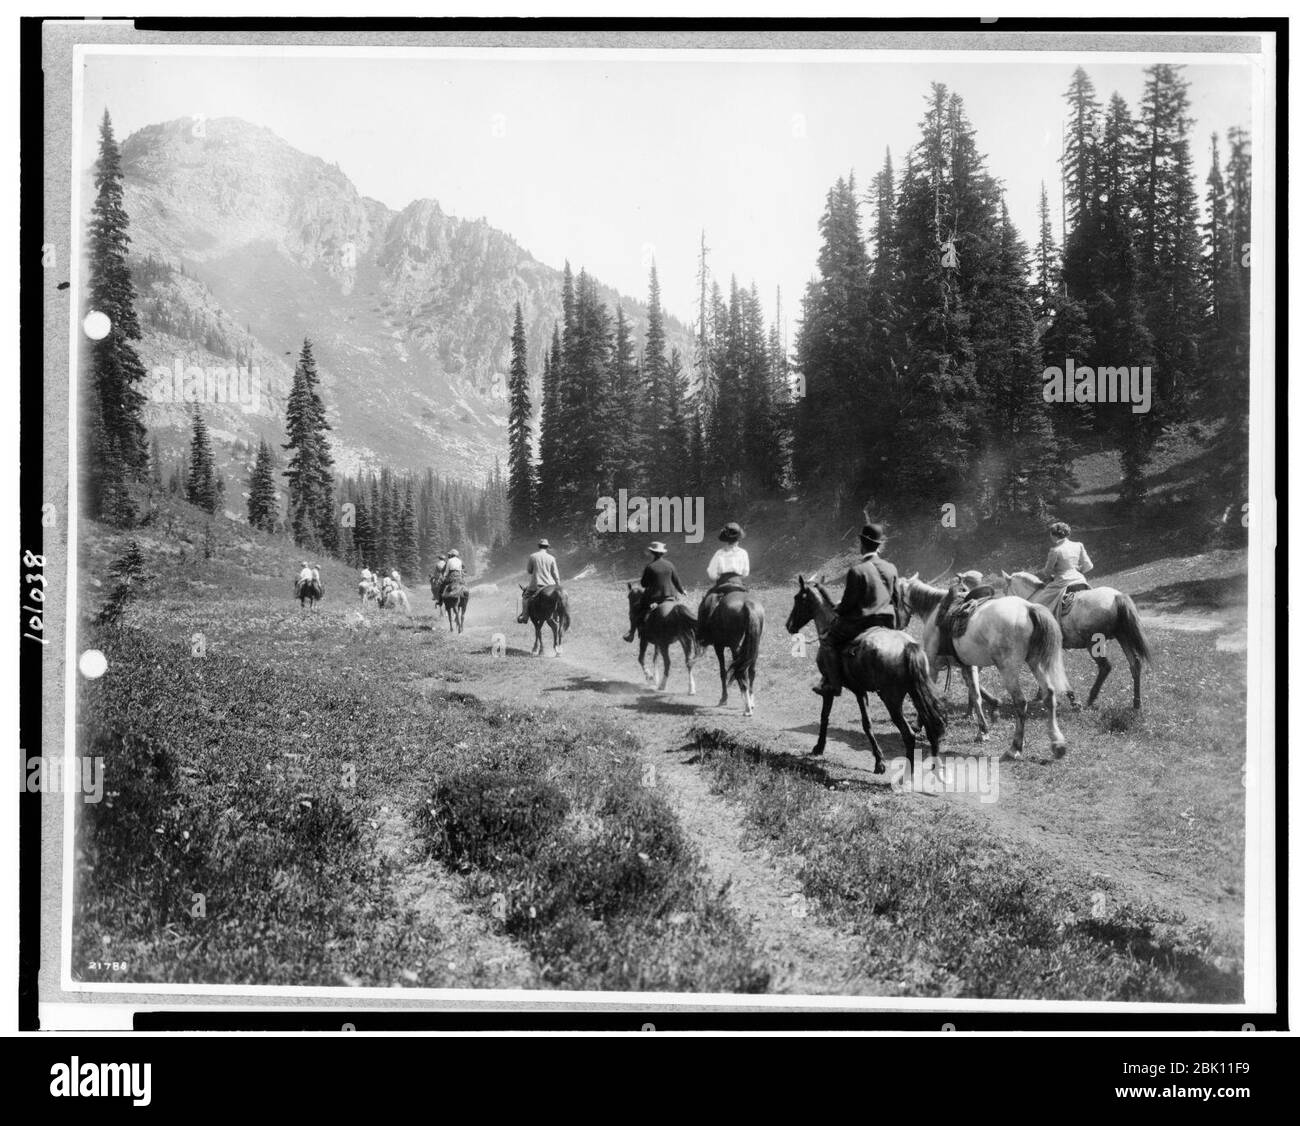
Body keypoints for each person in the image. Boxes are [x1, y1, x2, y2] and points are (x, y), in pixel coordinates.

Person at [813, 523, 901, 697]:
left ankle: (834, 686)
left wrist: (837, 609)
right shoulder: (891, 568)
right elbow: (896, 599)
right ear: (879, 545)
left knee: (828, 641)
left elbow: (847, 605)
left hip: (863, 623)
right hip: (889, 623)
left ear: (862, 545)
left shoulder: (857, 570)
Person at [624, 542, 691, 642]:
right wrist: (682, 591)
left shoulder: (650, 567)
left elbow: (644, 584)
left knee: (637, 610)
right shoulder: (670, 565)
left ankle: (631, 633)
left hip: (656, 597)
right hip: (671, 596)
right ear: (663, 553)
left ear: (652, 552)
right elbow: (676, 581)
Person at [697, 522, 749, 645]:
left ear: (725, 539)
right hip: (738, 584)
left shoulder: (719, 553)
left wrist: (717, 576)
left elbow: (712, 573)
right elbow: (745, 572)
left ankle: (703, 635)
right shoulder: (743, 553)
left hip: (723, 584)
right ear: (738, 538)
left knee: (705, 605)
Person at [1033, 521, 1093, 617]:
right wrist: (1077, 571)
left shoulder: (1055, 550)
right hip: (1081, 581)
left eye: (1051, 534)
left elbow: (1047, 572)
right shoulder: (1078, 545)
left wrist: (1051, 575)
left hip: (1062, 583)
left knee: (1037, 606)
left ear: (1054, 535)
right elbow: (1089, 566)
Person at [519, 538, 560, 622]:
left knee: (525, 597)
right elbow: (555, 574)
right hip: (550, 585)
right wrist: (558, 585)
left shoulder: (533, 556)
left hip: (536, 585)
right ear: (547, 547)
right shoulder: (552, 558)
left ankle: (525, 617)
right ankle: (557, 616)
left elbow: (529, 571)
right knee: (558, 598)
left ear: (539, 546)